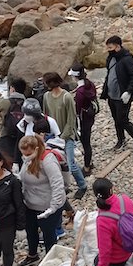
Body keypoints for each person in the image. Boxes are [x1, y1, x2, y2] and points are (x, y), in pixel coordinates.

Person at [18, 135, 67, 263]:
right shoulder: (28, 159)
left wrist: (53, 207)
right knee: (31, 231)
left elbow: (57, 184)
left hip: (47, 206)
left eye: (28, 153)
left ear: (36, 149)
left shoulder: (48, 161)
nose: (26, 156)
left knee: (48, 235)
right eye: (23, 154)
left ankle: (51, 260)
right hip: (30, 204)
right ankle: (32, 255)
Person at [42, 72, 87, 200]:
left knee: (71, 164)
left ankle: (82, 185)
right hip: (52, 136)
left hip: (67, 136)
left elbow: (71, 120)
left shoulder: (66, 97)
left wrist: (62, 137)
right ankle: (64, 186)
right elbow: (46, 116)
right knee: (59, 163)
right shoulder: (46, 96)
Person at [93, 178, 133, 266]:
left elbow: (105, 250)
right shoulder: (125, 200)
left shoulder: (102, 219)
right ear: (111, 189)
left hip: (118, 258)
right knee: (98, 260)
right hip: (129, 246)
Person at [101, 36, 133, 153]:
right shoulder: (110, 58)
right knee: (116, 119)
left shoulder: (127, 59)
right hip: (111, 95)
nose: (108, 50)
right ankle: (121, 140)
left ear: (118, 47)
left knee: (123, 120)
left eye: (110, 47)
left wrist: (129, 91)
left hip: (123, 96)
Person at [70, 62, 98, 176]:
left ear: (75, 76)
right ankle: (89, 162)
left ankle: (87, 167)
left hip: (83, 118)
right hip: (90, 116)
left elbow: (77, 109)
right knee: (87, 141)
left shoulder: (80, 91)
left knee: (85, 143)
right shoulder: (89, 84)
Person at [0, 77, 26, 165]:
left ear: (13, 89)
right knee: (20, 160)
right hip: (22, 136)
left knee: (4, 161)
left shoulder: (4, 102)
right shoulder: (27, 103)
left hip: (6, 134)